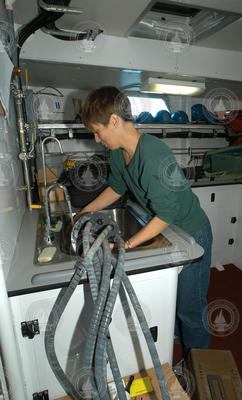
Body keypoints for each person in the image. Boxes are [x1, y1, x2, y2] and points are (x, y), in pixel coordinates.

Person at [75, 86, 213, 359]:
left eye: (97, 131)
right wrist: (84, 212)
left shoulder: (153, 154)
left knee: (191, 308)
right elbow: (116, 187)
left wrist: (126, 244)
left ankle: (200, 364)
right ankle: (174, 351)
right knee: (171, 301)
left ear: (114, 121)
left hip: (192, 233)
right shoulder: (117, 151)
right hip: (169, 229)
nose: (96, 138)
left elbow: (167, 214)